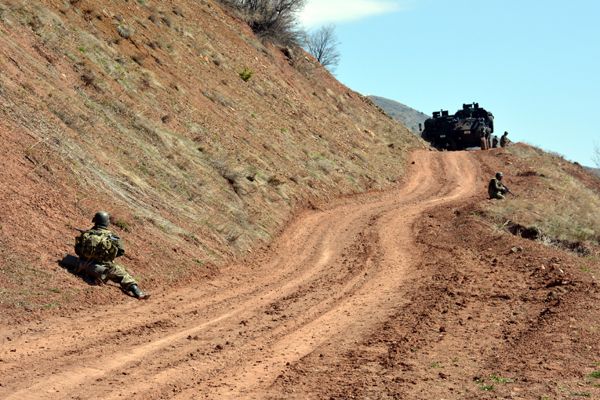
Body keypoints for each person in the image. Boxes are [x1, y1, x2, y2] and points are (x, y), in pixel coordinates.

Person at [75, 211, 150, 299]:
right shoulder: (112, 237)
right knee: (124, 276)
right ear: (107, 222)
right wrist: (107, 257)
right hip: (105, 267)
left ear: (95, 221)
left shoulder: (86, 234)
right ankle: (137, 292)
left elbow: (77, 250)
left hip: (83, 264)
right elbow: (121, 251)